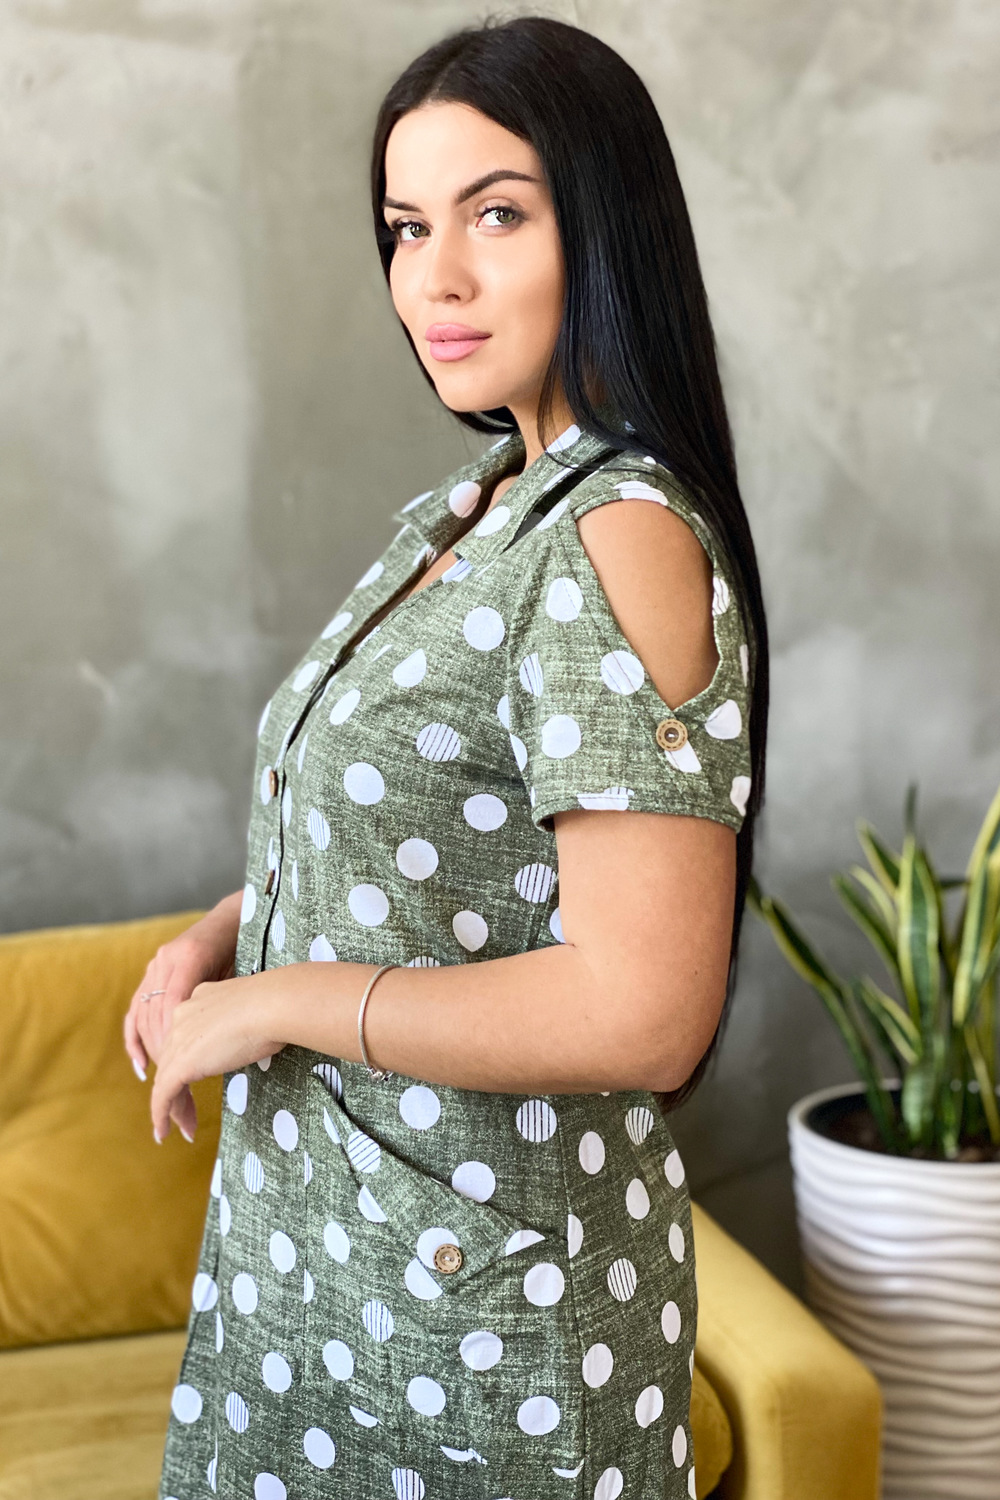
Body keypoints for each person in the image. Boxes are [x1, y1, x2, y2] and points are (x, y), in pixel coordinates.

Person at [130, 15, 769, 1500]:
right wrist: (227, 935)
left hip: (486, 1326)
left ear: (603, 228)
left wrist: (279, 1002)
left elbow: (645, 1007)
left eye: (497, 214)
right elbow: (431, 842)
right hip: (323, 1267)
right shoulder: (479, 507)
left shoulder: (618, 531)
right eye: (408, 228)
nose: (437, 279)